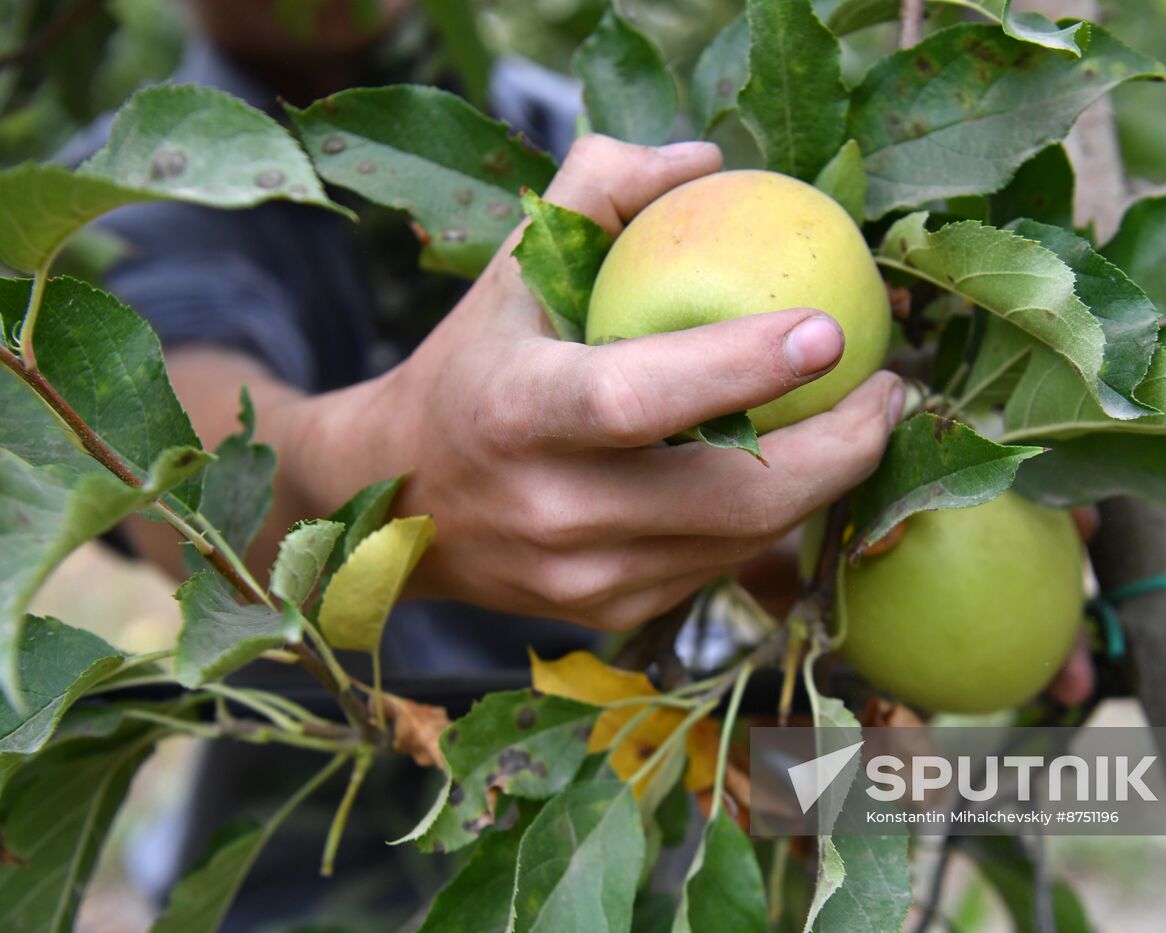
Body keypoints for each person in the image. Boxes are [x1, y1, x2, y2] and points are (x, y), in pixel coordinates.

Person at [79, 1, 1090, 926]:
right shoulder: (122, 198)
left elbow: (744, 521)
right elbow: (171, 457)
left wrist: (855, 534)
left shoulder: (616, 165)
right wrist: (388, 486)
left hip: (659, 821)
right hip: (312, 889)